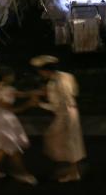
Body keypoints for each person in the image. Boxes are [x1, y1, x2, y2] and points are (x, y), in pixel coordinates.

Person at [31, 55, 86, 183]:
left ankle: (73, 171)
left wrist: (39, 104)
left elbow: (55, 106)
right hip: (73, 111)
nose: (40, 74)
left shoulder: (53, 84)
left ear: (45, 71)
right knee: (69, 141)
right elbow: (74, 92)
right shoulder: (67, 76)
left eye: (40, 71)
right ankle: (70, 168)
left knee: (60, 140)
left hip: (65, 115)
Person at [0, 69, 37, 185]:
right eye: (10, 75)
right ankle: (23, 174)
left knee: (5, 148)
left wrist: (35, 93)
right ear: (5, 77)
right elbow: (11, 108)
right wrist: (29, 104)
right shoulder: (4, 90)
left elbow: (20, 93)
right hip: (4, 123)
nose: (13, 77)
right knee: (14, 149)